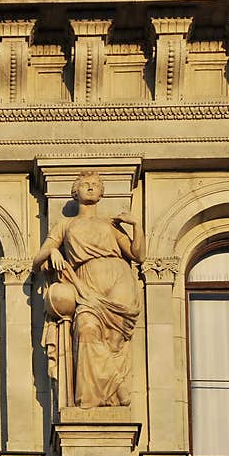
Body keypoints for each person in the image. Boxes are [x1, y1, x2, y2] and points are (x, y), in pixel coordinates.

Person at [32, 171, 145, 408]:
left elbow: (138, 255)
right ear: (75, 192)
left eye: (95, 184)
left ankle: (114, 396)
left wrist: (136, 226)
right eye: (85, 184)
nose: (91, 187)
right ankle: (101, 393)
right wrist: (52, 251)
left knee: (114, 342)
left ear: (102, 193)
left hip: (119, 278)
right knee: (86, 328)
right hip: (85, 282)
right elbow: (37, 261)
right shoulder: (66, 224)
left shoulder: (111, 224)